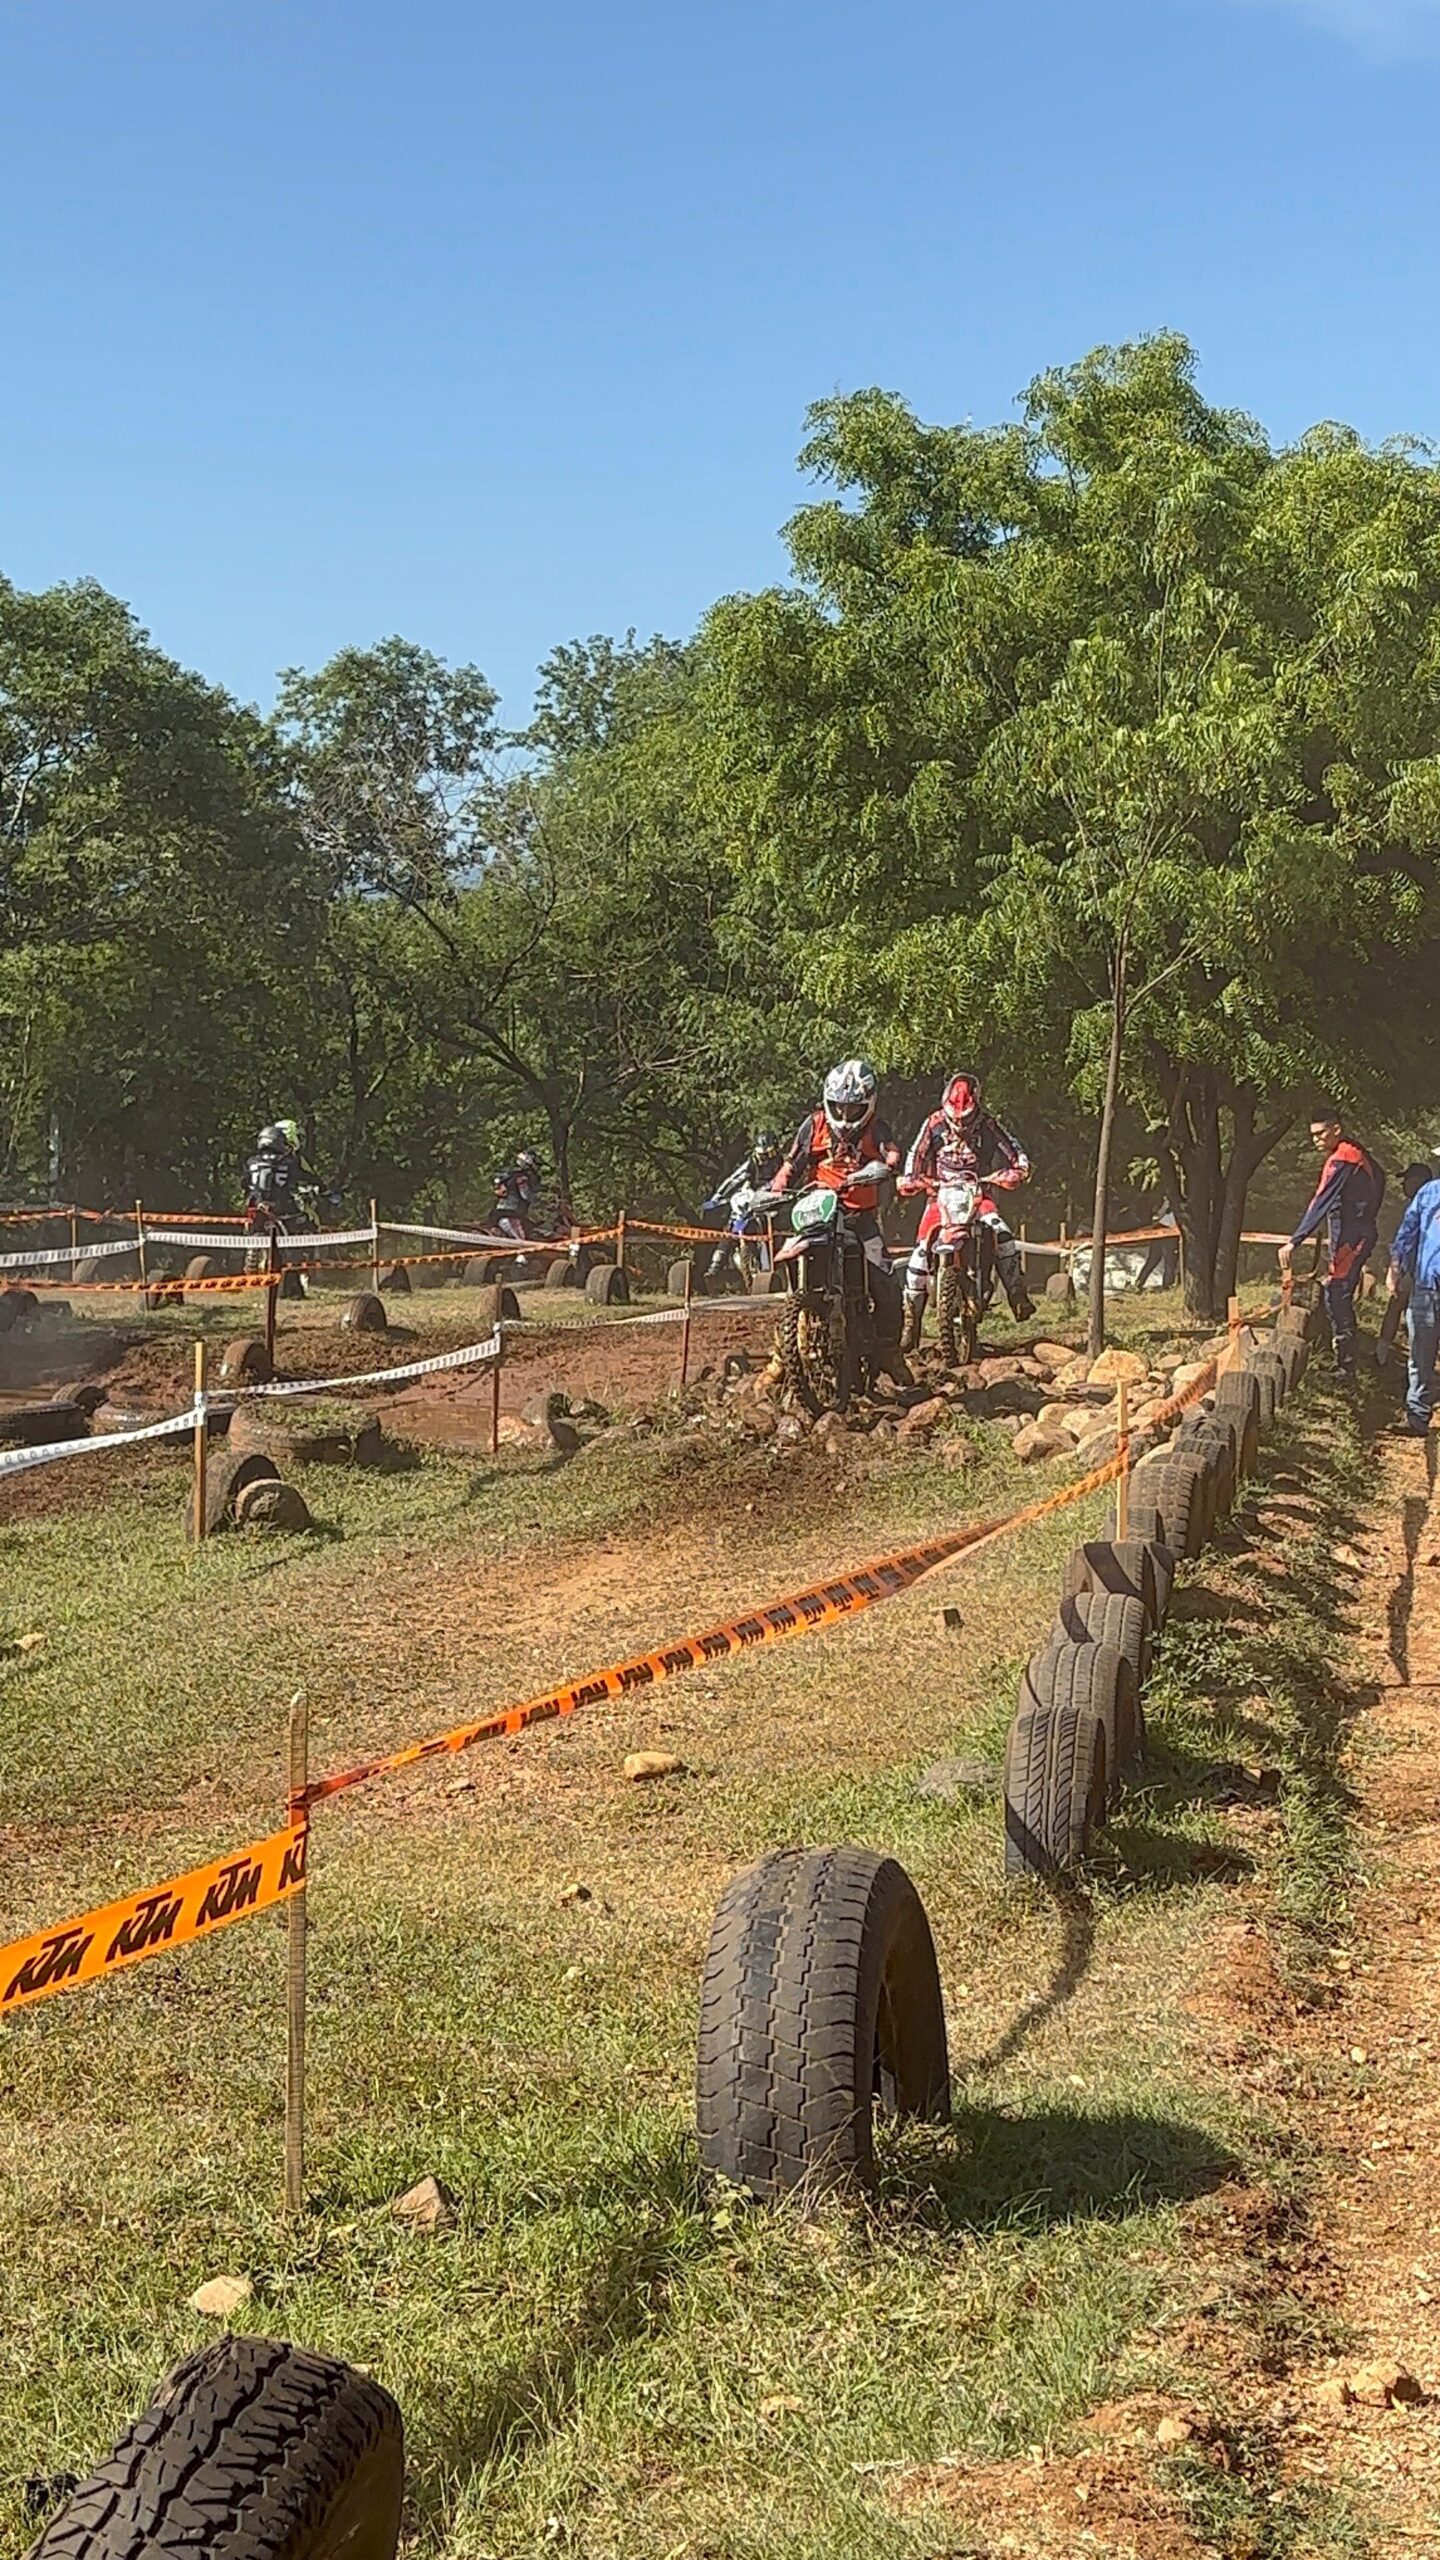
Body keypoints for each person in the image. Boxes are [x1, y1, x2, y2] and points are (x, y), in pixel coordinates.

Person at [771, 1060, 907, 1374]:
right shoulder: (815, 1124)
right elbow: (792, 1162)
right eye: (839, 1107)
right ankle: (780, 1357)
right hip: (817, 1212)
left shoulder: (877, 1128)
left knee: (885, 1280)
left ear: (868, 1104)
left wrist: (885, 1167)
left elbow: (891, 1154)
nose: (845, 1115)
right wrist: (777, 1188)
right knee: (793, 1277)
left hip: (859, 1217)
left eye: (853, 1108)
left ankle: (890, 1352)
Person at [899, 1072, 1035, 1335]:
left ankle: (1017, 1295)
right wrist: (910, 1178)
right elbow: (916, 1153)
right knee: (920, 1252)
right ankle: (911, 1321)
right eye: (956, 1118)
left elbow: (1014, 1149)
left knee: (1002, 1233)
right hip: (940, 1195)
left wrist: (1019, 1169)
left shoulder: (988, 1124)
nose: (960, 1123)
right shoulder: (934, 1124)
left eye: (967, 1117)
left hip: (979, 1193)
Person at [1279, 1106, 1386, 1381]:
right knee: (1334, 1290)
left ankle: (1346, 1368)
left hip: (1353, 1236)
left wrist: (1295, 1241)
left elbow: (1320, 1202)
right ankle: (1339, 1357)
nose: (1315, 1139)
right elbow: (1380, 1177)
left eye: (1320, 1133)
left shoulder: (1343, 1158)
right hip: (1349, 1233)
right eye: (1312, 1135)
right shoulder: (1356, 1151)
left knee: (1338, 1293)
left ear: (1336, 1129)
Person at [1386, 1165, 1440, 1435]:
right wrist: (1395, 1268)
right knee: (1420, 1354)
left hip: (1428, 1285)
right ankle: (1417, 1417)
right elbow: (1407, 1233)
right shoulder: (1429, 1194)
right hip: (1427, 1285)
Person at [703, 1130, 783, 1283]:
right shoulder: (752, 1162)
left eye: (768, 1153)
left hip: (775, 1201)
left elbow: (786, 1180)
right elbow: (734, 1179)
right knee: (730, 1227)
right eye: (762, 1153)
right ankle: (715, 1265)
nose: (764, 1157)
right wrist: (717, 1197)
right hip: (752, 1200)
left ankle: (772, 1266)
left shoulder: (782, 1163)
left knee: (778, 1226)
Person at [1376, 1162, 1431, 1372]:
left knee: (1396, 1307)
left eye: (1407, 1180)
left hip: (1416, 1269)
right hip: (1422, 1270)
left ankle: (1383, 1354)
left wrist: (1397, 1267)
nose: (1403, 1185)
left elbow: (1406, 1240)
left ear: (1417, 1181)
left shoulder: (1419, 1205)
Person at [243, 1121, 307, 1227]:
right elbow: (299, 1179)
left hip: (254, 1207)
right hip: (280, 1207)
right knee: (306, 1221)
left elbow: (244, 1183)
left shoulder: (251, 1161)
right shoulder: (289, 1161)